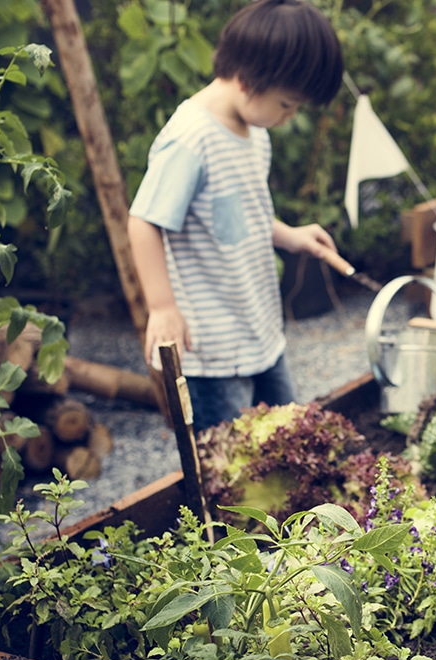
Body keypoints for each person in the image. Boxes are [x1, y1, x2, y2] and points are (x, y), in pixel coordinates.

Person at [128, 0, 344, 434]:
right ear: (248, 81)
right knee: (227, 464)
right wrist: (162, 306)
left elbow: (239, 218)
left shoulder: (253, 132)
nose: (290, 117)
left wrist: (290, 237)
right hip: (210, 347)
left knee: (287, 437)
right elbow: (143, 221)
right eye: (287, 104)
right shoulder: (192, 139)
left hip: (257, 328)